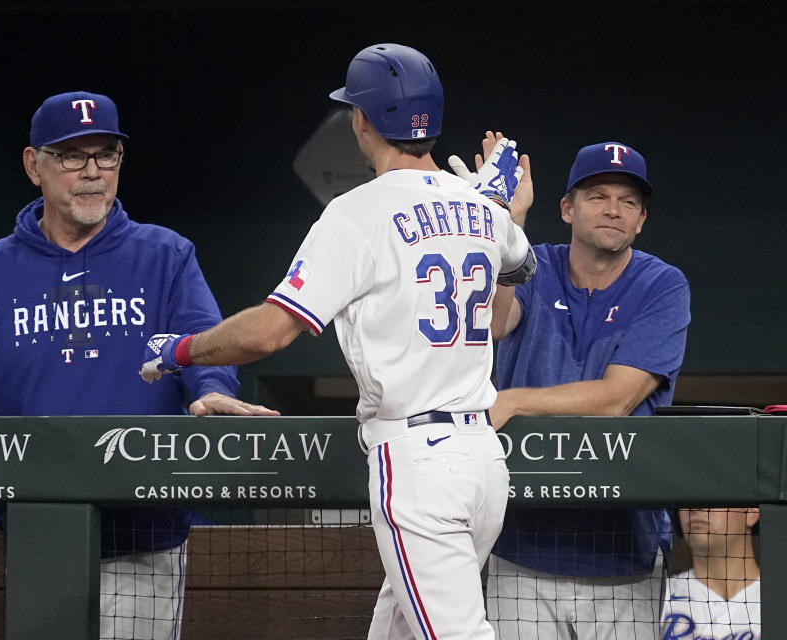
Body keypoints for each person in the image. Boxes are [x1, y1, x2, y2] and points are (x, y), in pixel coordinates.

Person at [140, 43, 537, 640]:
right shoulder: (481, 208)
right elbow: (508, 297)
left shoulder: (356, 213)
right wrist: (501, 208)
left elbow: (273, 330)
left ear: (361, 119)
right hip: (483, 465)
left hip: (419, 462)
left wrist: (182, 351)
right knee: (396, 629)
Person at [0, 90, 276, 640]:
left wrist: (209, 387)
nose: (92, 172)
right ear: (34, 165)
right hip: (29, 534)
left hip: (142, 533)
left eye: (106, 155)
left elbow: (203, 345)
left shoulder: (165, 255)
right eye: (72, 156)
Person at [484, 142, 692, 640]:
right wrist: (507, 225)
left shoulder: (662, 285)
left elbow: (617, 399)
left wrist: (514, 400)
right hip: (520, 544)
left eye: (627, 201)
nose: (613, 210)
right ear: (567, 209)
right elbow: (492, 323)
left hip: (624, 550)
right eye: (598, 195)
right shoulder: (529, 266)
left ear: (640, 220)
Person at [661, 508, 761, 639]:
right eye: (688, 495)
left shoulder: (779, 600)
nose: (695, 507)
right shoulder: (658, 597)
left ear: (751, 512)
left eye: (713, 492)